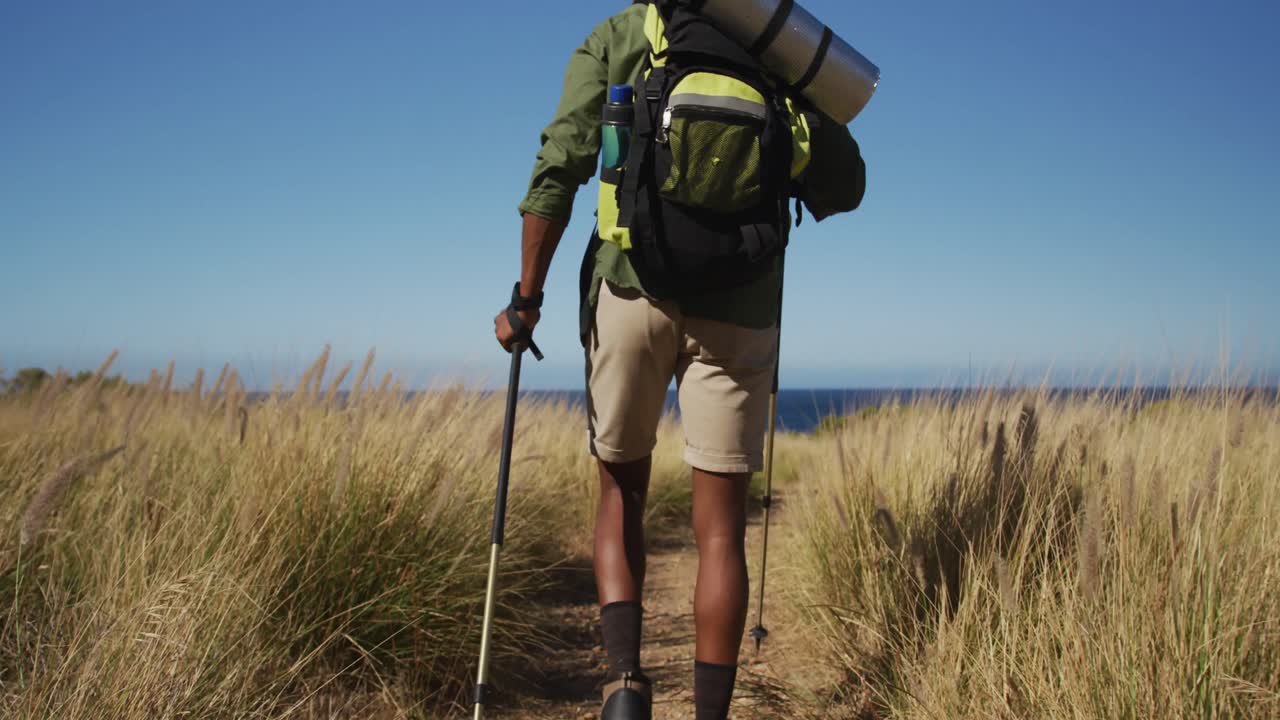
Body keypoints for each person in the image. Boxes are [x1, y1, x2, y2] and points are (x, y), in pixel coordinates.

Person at [494, 2, 865, 718]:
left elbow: (559, 166)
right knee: (720, 530)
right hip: (741, 306)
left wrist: (526, 299)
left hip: (628, 288)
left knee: (621, 494)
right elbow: (846, 184)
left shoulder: (618, 38)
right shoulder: (776, 48)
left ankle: (625, 688)